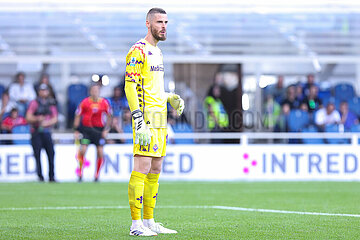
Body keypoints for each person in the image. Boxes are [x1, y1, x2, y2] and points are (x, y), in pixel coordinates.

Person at [124, 8, 184, 236]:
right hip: (146, 117)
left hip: (161, 117)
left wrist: (169, 97)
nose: (164, 26)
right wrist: (137, 117)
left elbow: (153, 87)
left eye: (166, 22)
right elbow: (130, 85)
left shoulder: (158, 53)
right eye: (160, 22)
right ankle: (136, 225)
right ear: (148, 24)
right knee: (142, 167)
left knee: (156, 168)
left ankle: (149, 220)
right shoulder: (137, 51)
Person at [73, 84, 112, 182]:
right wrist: (76, 130)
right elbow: (78, 115)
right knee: (83, 150)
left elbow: (110, 116)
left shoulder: (104, 103)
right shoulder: (85, 102)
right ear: (90, 91)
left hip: (99, 130)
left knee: (100, 152)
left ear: (99, 91)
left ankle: (97, 175)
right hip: (87, 130)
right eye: (93, 90)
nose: (94, 92)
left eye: (96, 90)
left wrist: (106, 129)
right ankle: (80, 173)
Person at [26, 84, 58, 182]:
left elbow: (55, 118)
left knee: (51, 154)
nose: (44, 92)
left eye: (45, 90)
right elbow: (28, 117)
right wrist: (38, 119)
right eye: (42, 90)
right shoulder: (34, 103)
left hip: (47, 131)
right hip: (36, 131)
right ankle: (40, 176)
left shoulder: (50, 103)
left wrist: (46, 123)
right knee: (37, 154)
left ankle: (51, 176)